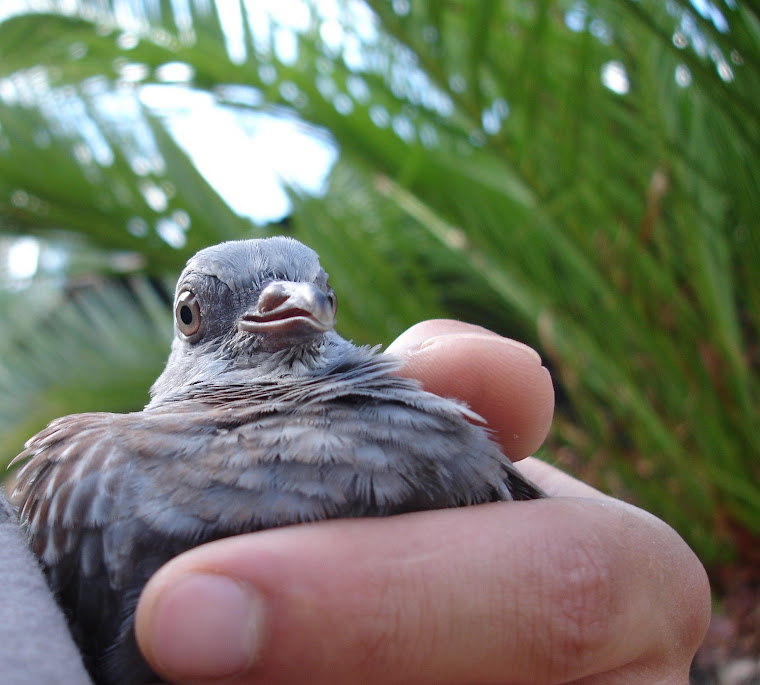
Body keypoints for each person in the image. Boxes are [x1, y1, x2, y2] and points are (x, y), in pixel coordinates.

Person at [134, 320, 710, 685]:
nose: (284, 299)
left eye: (318, 291)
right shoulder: (111, 472)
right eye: (194, 312)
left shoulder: (434, 429)